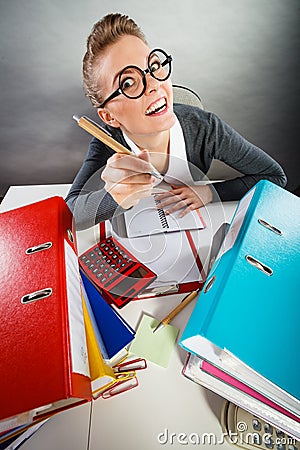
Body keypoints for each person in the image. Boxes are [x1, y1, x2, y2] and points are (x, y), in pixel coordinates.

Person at [66, 13, 287, 230]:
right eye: (128, 83)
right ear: (109, 116)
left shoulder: (206, 129)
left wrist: (209, 193)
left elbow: (274, 176)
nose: (153, 84)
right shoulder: (106, 142)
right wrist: (115, 198)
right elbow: (70, 213)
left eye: (153, 67)